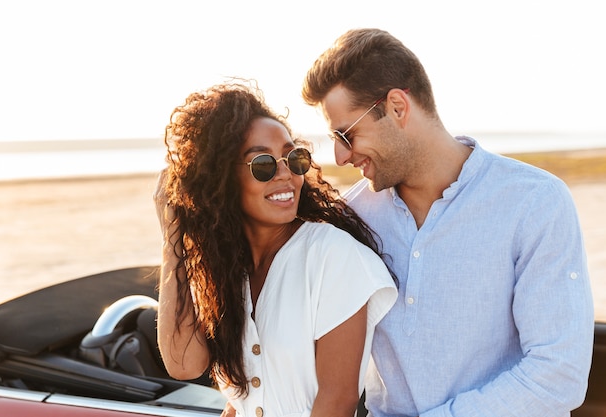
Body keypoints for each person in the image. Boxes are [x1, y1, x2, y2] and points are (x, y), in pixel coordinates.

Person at [301, 28, 594, 417]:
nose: (339, 156)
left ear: (397, 107)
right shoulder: (352, 219)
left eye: (345, 134)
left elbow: (558, 375)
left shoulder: (536, 203)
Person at [153, 81, 397, 417]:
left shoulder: (333, 256)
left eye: (294, 158)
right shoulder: (225, 271)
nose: (285, 174)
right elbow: (184, 365)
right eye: (263, 164)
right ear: (220, 178)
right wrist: (173, 237)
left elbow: (337, 402)